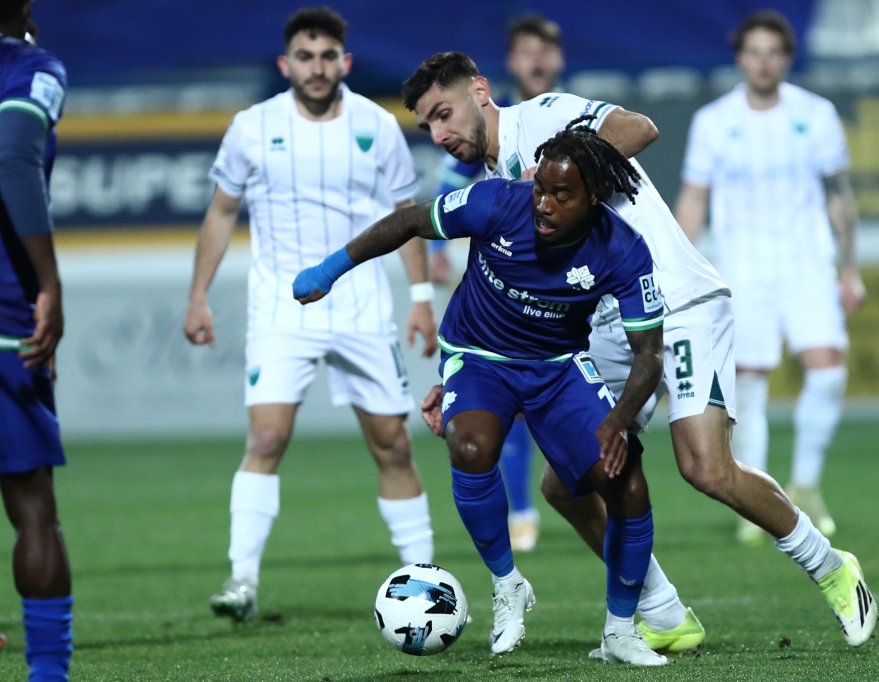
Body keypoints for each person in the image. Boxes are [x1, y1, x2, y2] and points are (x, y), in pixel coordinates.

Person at [403, 51, 878, 650]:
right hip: (608, 326)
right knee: (565, 484)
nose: (439, 134)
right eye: (428, 125)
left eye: (443, 113)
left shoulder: (542, 118)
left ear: (479, 91)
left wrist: (569, 175)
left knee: (705, 467)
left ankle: (831, 567)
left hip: (678, 304)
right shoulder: (496, 185)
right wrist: (468, 373)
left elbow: (638, 127)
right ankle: (662, 611)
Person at [295, 121, 672, 666]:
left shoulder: (624, 249)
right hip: (477, 356)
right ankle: (507, 583)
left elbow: (649, 356)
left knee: (628, 485)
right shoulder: (497, 202)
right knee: (470, 447)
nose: (543, 204)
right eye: (540, 188)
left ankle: (620, 631)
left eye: (560, 195)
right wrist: (332, 269)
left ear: (594, 197)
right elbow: (409, 220)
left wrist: (618, 419)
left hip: (557, 367)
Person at [183, 7, 437, 624]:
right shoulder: (252, 126)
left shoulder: (377, 124)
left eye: (327, 57)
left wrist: (422, 298)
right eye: (305, 56)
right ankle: (242, 578)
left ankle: (425, 580)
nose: (317, 68)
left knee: (394, 445)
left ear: (345, 62)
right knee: (267, 438)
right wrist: (198, 296)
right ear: (285, 64)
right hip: (281, 306)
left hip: (361, 304)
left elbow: (405, 217)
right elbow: (221, 211)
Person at [674, 10, 865, 543]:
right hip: (742, 268)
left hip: (807, 263)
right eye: (754, 52)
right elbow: (694, 198)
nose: (763, 62)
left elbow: (838, 195)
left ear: (787, 58)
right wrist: (681, 271)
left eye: (773, 52)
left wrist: (850, 268)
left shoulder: (816, 114)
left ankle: (805, 485)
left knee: (828, 371)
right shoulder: (714, 121)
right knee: (750, 385)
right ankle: (756, 500)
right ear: (741, 58)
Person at [429, 13, 566, 554]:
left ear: (558, 59)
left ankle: (586, 498)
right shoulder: (488, 121)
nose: (537, 59)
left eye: (545, 50)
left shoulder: (566, 113)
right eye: (526, 50)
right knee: (511, 391)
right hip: (510, 280)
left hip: (574, 285)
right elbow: (448, 185)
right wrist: (437, 251)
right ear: (510, 63)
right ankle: (523, 510)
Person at [0, 0, 74, 679]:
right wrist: (47, 281)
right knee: (31, 508)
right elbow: (14, 159)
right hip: (5, 316)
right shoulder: (30, 67)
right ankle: (47, 673)